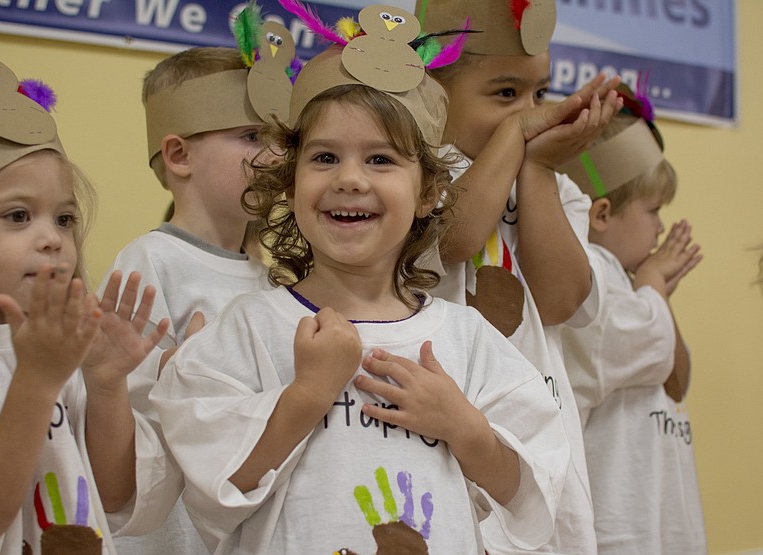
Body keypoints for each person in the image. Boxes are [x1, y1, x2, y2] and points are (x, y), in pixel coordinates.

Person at [148, 8, 570, 552]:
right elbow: (214, 489)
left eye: (380, 159)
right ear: (289, 181)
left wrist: (462, 426)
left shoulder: (466, 340)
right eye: (324, 157)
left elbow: (532, 492)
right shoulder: (249, 330)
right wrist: (307, 394)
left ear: (427, 194)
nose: (350, 179)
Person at [0, 51, 167, 554]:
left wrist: (105, 383)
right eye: (17, 216)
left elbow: (113, 496)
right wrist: (37, 379)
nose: (52, 239)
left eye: (65, 219)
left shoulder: (63, 344)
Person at [415, 1, 624, 552]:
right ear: (434, 93)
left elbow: (560, 302)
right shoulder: (417, 171)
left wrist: (539, 168)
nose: (530, 113)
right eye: (505, 94)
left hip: (537, 442)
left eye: (539, 93)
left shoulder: (553, 182)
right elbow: (457, 240)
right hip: (448, 435)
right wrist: (516, 139)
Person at [100, 8, 297, 553]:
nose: (278, 155)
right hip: (170, 530)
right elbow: (114, 394)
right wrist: (173, 371)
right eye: (252, 135)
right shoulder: (151, 261)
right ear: (179, 155)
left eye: (282, 138)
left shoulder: (269, 276)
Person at [558, 96, 706, 553]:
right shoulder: (592, 277)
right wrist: (654, 281)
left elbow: (676, 381)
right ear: (600, 215)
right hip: (620, 528)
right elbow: (655, 344)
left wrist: (653, 286)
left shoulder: (633, 287)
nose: (661, 228)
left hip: (663, 517)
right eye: (653, 210)